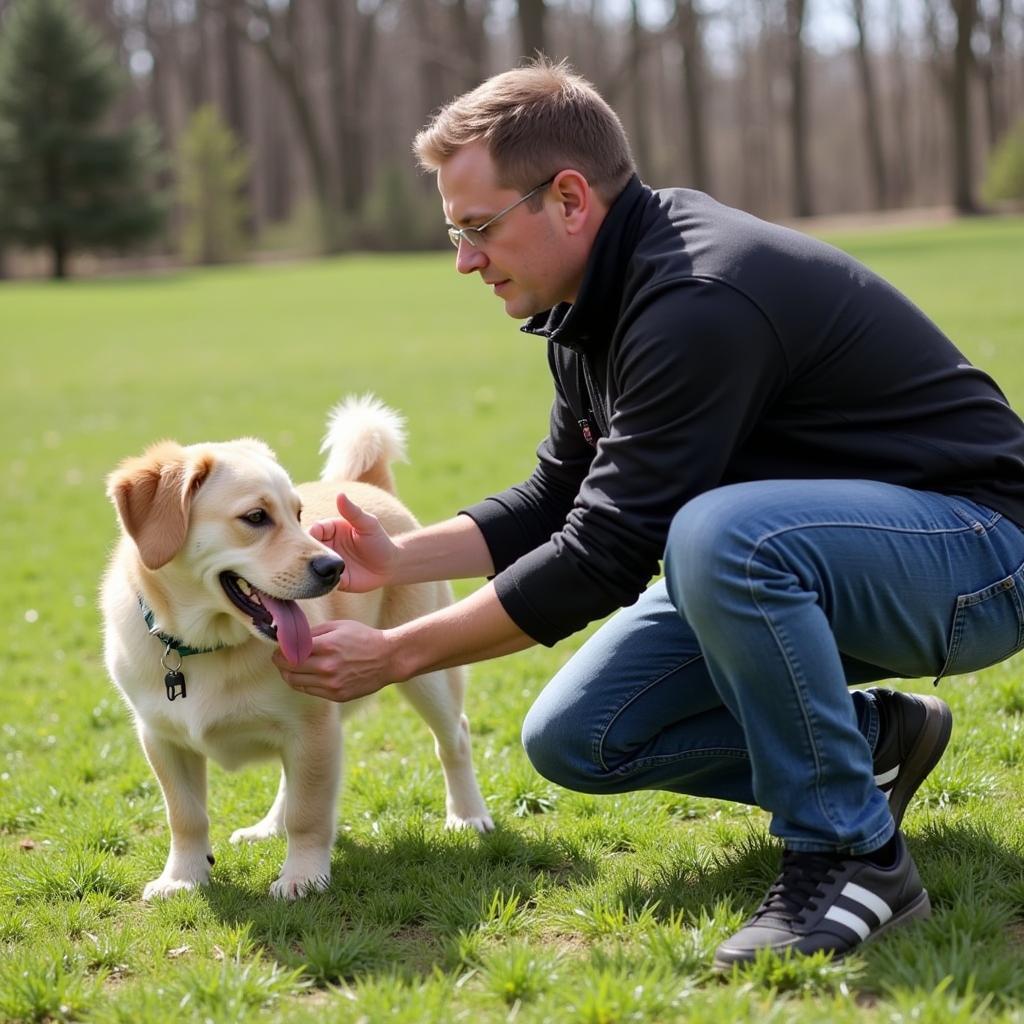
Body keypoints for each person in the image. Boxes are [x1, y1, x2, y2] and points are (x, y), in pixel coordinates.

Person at [272, 59, 1024, 967]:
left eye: (478, 229)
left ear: (570, 198)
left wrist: (397, 654)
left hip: (980, 551)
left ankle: (852, 858)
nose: (465, 260)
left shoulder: (698, 297)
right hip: (825, 562)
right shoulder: (588, 306)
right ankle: (873, 745)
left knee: (721, 537)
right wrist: (396, 561)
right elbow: (560, 498)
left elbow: (608, 550)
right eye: (453, 233)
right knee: (580, 736)